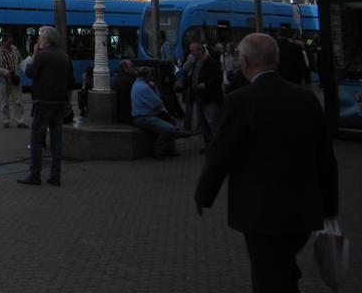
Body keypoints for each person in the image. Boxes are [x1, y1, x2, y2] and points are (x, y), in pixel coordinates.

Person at [195, 32, 338, 293]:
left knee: (267, 277)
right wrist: (330, 205)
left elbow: (221, 154)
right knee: (283, 267)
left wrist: (204, 195)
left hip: (261, 212)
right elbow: (325, 156)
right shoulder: (305, 98)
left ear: (245, 62)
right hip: (303, 209)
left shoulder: (241, 100)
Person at [17, 25, 72, 186]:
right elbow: (70, 82)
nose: (38, 41)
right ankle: (55, 176)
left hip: (43, 102)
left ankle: (35, 175)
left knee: (37, 138)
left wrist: (35, 54)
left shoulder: (42, 56)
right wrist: (68, 102)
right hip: (60, 103)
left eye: (40, 38)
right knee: (56, 139)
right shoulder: (64, 56)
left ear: (47, 40)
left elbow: (30, 73)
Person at [131, 67, 179, 158]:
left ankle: (170, 148)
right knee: (170, 129)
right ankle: (158, 148)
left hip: (143, 116)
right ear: (147, 76)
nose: (152, 76)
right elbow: (157, 101)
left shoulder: (137, 84)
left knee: (171, 121)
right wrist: (155, 88)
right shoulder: (144, 87)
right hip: (145, 117)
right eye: (150, 74)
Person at [188, 41, 223, 150]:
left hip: (209, 98)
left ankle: (217, 146)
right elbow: (192, 76)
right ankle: (208, 145)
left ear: (199, 50)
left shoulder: (211, 62)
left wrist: (206, 84)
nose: (191, 53)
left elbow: (218, 78)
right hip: (199, 97)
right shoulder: (195, 62)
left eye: (192, 50)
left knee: (212, 122)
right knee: (203, 124)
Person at [0, 32, 26, 128]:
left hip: (15, 79)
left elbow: (20, 60)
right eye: (9, 42)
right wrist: (6, 72)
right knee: (4, 102)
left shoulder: (14, 49)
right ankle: (6, 121)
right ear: (3, 41)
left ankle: (20, 121)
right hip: (3, 80)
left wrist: (27, 66)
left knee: (18, 101)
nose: (11, 44)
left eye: (11, 41)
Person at [111, 60, 138, 124]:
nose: (133, 69)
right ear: (125, 68)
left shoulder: (118, 77)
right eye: (131, 67)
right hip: (126, 114)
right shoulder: (128, 80)